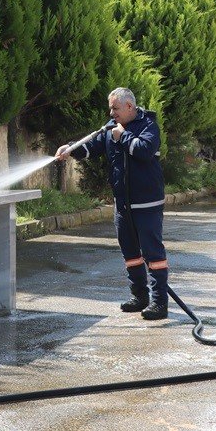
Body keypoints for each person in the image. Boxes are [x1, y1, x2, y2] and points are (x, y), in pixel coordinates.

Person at [55, 87, 169, 320]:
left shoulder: (148, 126)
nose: (111, 112)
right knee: (131, 253)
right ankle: (140, 297)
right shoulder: (110, 128)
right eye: (110, 108)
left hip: (146, 203)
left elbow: (145, 151)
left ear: (129, 106)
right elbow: (91, 147)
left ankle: (159, 303)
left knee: (153, 253)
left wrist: (122, 136)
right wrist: (71, 149)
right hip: (123, 204)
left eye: (115, 108)